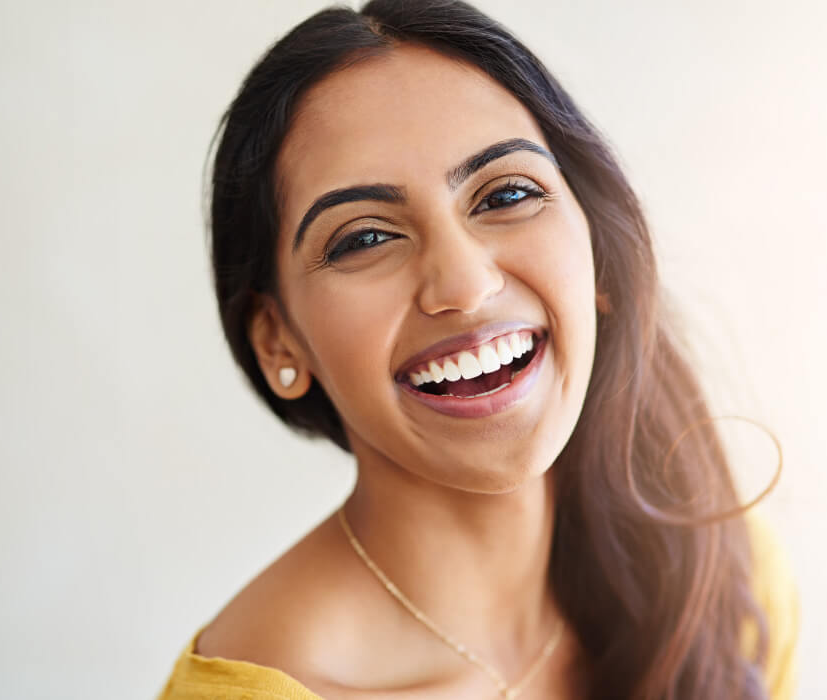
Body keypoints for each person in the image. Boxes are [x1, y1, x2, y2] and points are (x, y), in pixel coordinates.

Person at [159, 1, 798, 697]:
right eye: (365, 238)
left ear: (600, 261)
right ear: (276, 338)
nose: (463, 284)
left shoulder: (723, 581)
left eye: (506, 194)